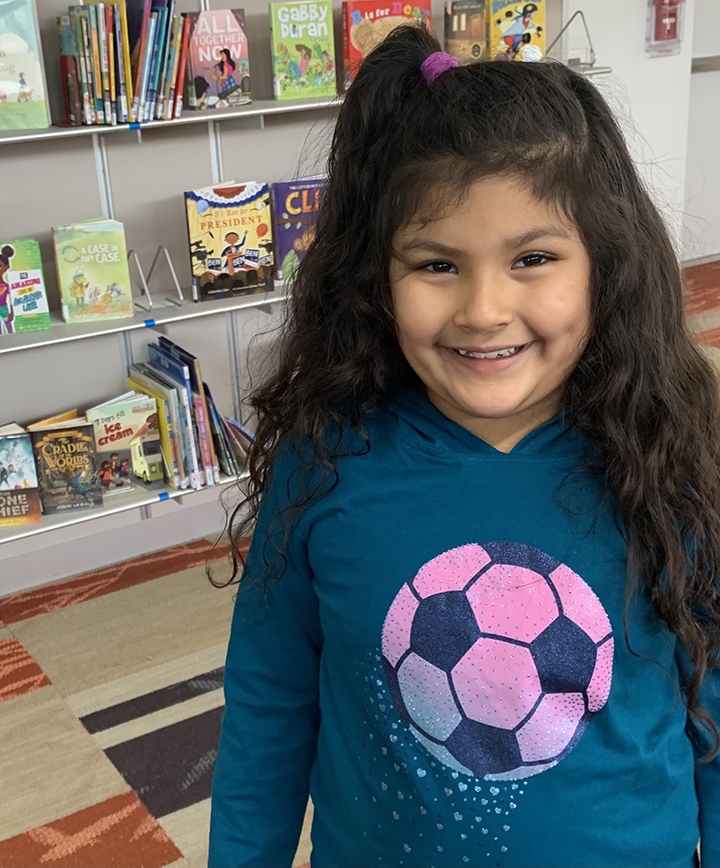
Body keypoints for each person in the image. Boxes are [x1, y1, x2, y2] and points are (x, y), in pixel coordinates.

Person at [209, 24, 720, 868]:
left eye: (532, 258)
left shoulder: (666, 453)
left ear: (606, 265)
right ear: (377, 278)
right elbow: (269, 703)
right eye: (437, 266)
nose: (484, 308)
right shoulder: (326, 463)